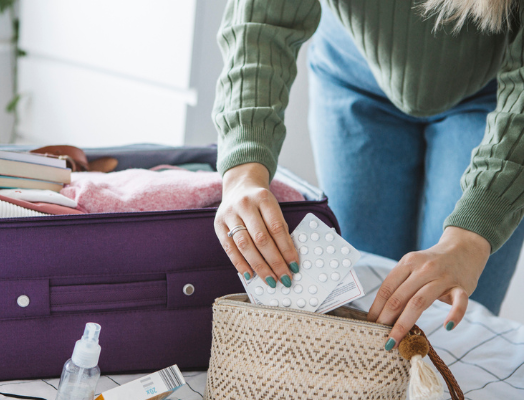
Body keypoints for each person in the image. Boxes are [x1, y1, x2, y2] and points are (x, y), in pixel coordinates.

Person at [212, 0, 524, 351]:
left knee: (450, 333)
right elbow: (262, 20)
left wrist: (470, 239)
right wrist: (243, 170)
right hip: (351, 73)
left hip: (495, 98)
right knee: (361, 314)